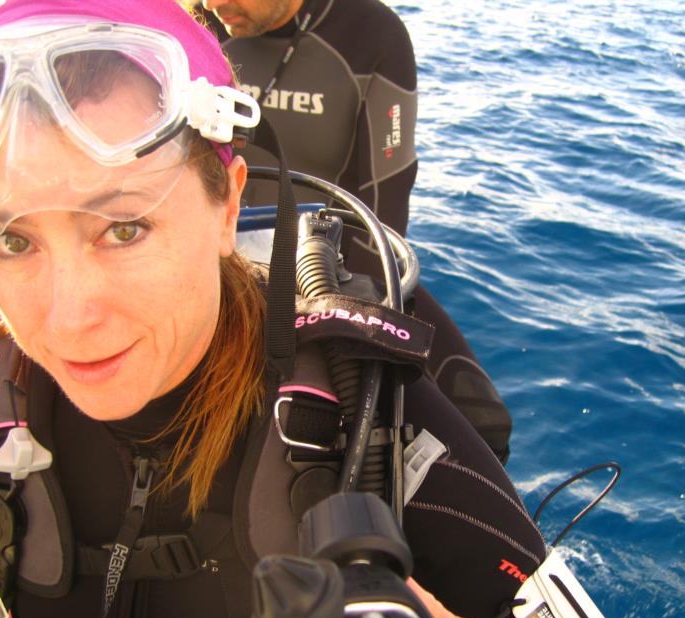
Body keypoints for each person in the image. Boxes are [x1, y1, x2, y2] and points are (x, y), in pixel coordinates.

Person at [0, 1, 581, 618]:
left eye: (124, 228)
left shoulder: (365, 415)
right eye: (14, 240)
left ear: (229, 205)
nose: (68, 318)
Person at [193, 0, 517, 463]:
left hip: (326, 277)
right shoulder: (188, 23)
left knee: (482, 421)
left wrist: (325, 311)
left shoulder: (370, 35)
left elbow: (381, 220)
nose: (214, 2)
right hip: (209, 273)